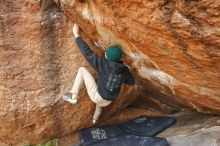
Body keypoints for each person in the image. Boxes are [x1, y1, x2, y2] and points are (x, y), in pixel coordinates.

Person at [63, 24, 135, 124]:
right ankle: (95, 120)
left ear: (107, 56)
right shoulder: (125, 71)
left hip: (98, 96)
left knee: (82, 70)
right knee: (100, 104)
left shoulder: (103, 64)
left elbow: (87, 53)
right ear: (119, 58)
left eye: (106, 53)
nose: (104, 53)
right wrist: (127, 72)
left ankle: (73, 95)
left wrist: (76, 35)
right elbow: (131, 82)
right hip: (108, 101)